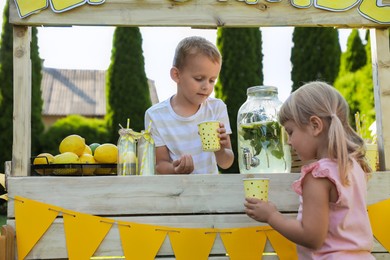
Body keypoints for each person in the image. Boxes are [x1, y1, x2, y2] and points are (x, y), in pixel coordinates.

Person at [244, 81, 374, 259]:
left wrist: (272, 216)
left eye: (290, 132)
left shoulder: (318, 175)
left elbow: (312, 237)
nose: (289, 142)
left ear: (315, 126)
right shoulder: (353, 166)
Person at [144, 36, 234, 174]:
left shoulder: (217, 108)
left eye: (212, 80)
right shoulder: (156, 115)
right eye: (199, 79)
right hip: (176, 193)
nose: (206, 87)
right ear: (176, 75)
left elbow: (226, 162)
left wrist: (221, 149)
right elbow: (160, 164)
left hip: (211, 191)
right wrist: (176, 169)